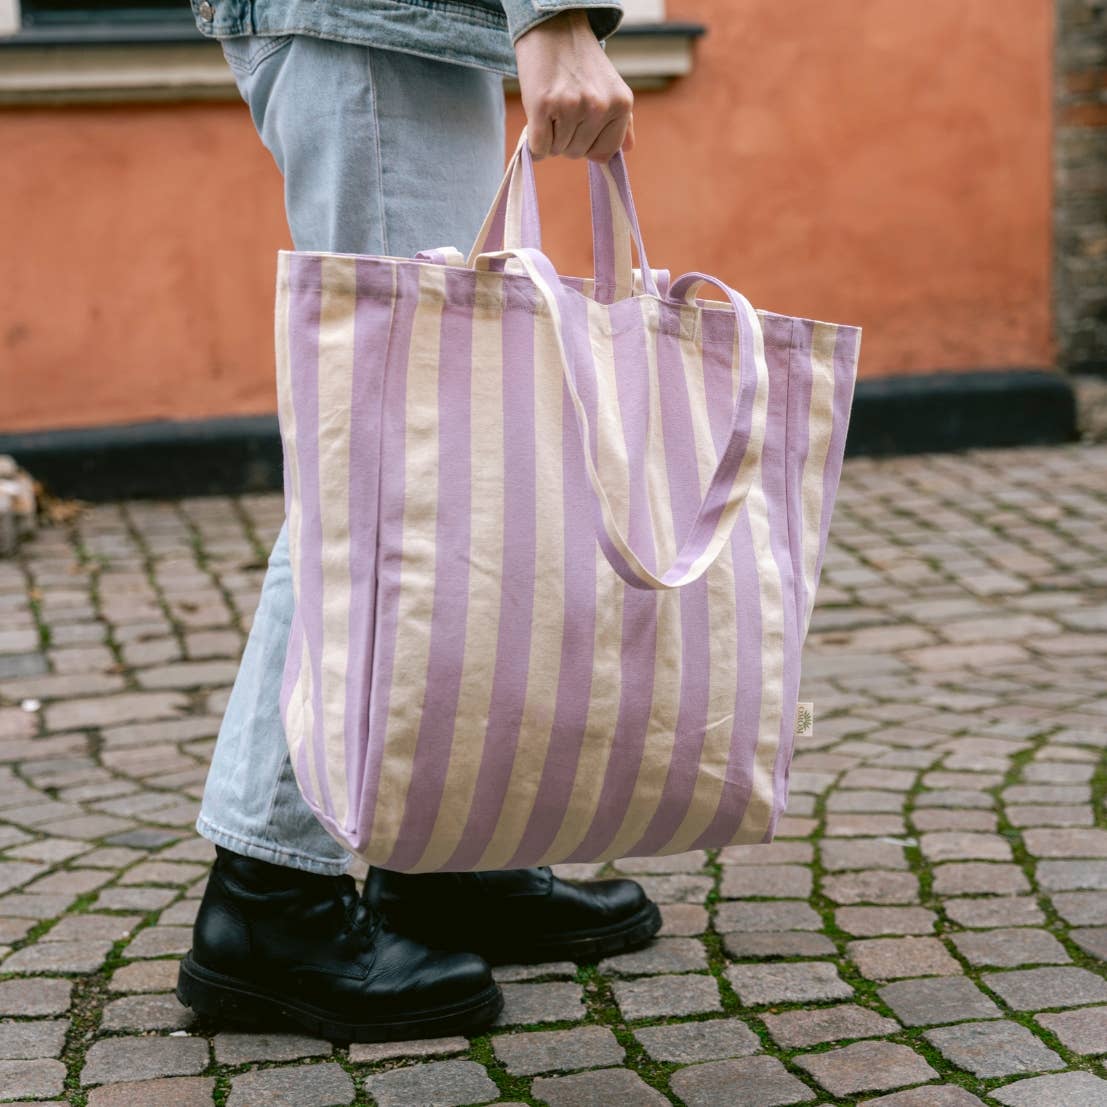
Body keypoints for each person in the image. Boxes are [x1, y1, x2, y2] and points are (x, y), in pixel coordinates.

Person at [176, 0, 662, 1043]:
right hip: (373, 22)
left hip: (403, 24)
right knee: (387, 470)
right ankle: (267, 896)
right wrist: (554, 15)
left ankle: (441, 863)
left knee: (436, 455)